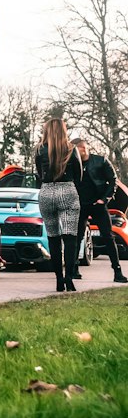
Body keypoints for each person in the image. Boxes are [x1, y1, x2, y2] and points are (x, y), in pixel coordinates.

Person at [34, 117, 83, 292]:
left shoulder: (39, 150)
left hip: (47, 191)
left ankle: (58, 280)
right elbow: (78, 175)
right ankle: (69, 278)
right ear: (64, 130)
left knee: (53, 237)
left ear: (46, 130)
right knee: (70, 237)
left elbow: (39, 174)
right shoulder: (71, 149)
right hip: (67, 189)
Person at [71, 136, 128, 284]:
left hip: (98, 205)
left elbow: (113, 180)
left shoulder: (100, 161)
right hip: (81, 204)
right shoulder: (72, 164)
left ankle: (117, 272)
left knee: (108, 237)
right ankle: (73, 270)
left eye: (75, 150)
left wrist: (104, 199)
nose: (73, 154)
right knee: (77, 237)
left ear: (83, 149)